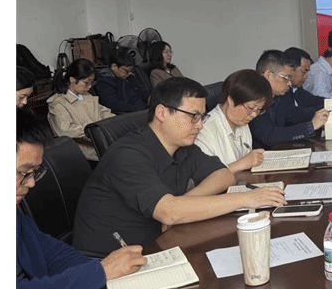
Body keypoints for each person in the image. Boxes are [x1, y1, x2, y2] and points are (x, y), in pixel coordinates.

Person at [16, 106, 267, 289]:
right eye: (23, 173)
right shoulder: (128, 154)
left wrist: (110, 271)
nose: (31, 183)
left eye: (35, 173)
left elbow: (54, 254)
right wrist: (99, 272)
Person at [73, 77, 286, 255]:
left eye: (201, 117)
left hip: (160, 245)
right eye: (193, 117)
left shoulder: (182, 146)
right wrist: (247, 198)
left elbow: (224, 175)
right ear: (162, 113)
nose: (200, 125)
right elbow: (168, 213)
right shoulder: (128, 155)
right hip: (113, 262)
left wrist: (185, 202)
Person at [249, 50, 329, 149]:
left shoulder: (281, 95)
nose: (290, 83)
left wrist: (324, 112)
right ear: (268, 75)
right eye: (286, 78)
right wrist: (310, 126)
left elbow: (295, 115)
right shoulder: (252, 97)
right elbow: (269, 136)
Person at [195, 69, 272, 172]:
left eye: (258, 110)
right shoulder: (204, 130)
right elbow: (204, 178)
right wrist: (242, 163)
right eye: (251, 108)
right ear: (231, 100)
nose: (254, 115)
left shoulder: (241, 122)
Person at [46, 58, 115, 160]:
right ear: (72, 80)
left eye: (91, 82)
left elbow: (105, 113)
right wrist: (96, 132)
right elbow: (65, 130)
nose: (90, 86)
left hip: (101, 142)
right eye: (86, 82)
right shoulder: (57, 103)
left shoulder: (87, 96)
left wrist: (116, 123)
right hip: (83, 150)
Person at [95, 47, 151, 113]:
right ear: (114, 67)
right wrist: (121, 80)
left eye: (131, 70)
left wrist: (150, 99)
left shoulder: (129, 76)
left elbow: (141, 91)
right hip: (128, 113)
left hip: (141, 109)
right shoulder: (104, 81)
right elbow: (115, 105)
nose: (129, 73)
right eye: (126, 71)